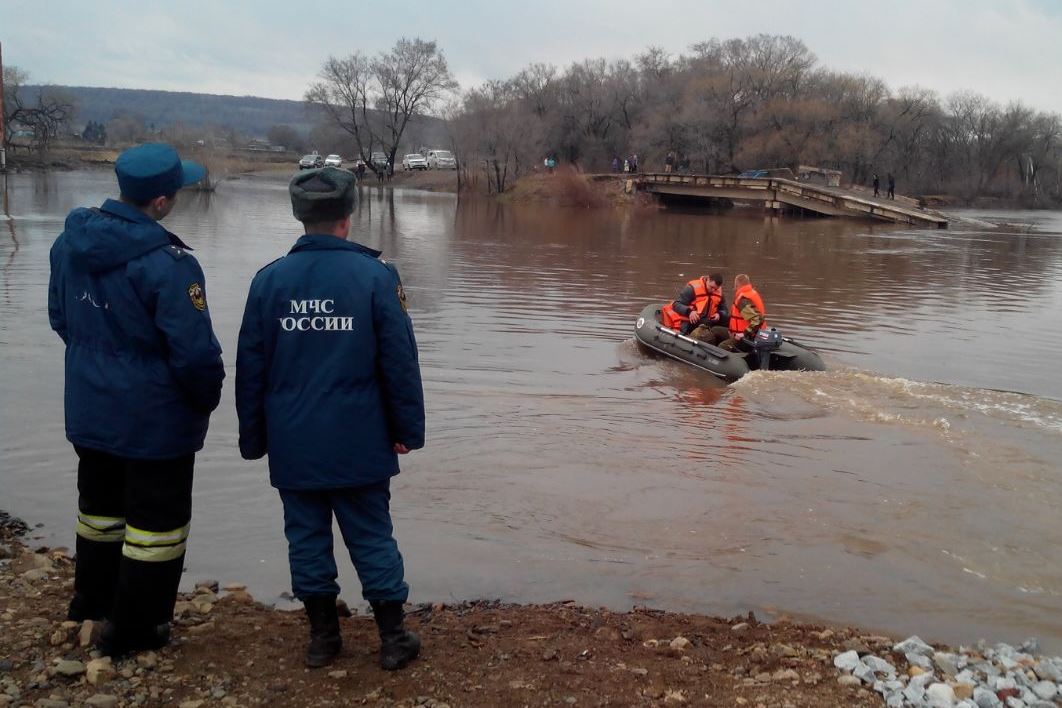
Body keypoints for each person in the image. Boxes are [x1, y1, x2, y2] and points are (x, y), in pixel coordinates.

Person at [235, 167, 425, 671]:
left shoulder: (268, 282)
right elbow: (400, 362)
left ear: (300, 216)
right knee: (371, 535)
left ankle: (322, 639)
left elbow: (250, 369)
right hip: (361, 438)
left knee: (305, 536)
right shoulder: (375, 277)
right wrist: (407, 431)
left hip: (293, 440)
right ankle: (392, 638)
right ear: (348, 216)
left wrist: (254, 439)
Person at [47, 143, 225, 657]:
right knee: (156, 528)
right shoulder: (170, 265)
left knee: (99, 511)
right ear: (163, 203)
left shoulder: (69, 243)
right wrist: (205, 400)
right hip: (154, 422)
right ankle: (134, 629)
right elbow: (193, 356)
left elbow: (61, 318)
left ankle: (91, 603)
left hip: (88, 408)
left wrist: (97, 368)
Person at [660, 273, 728, 339]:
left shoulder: (719, 293)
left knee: (728, 319)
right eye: (711, 287)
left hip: (709, 320)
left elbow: (724, 310)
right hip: (692, 320)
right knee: (705, 323)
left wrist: (719, 314)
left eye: (715, 289)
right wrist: (690, 312)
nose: (713, 290)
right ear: (708, 280)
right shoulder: (692, 289)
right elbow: (676, 304)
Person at [719, 274, 767, 351]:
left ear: (737, 285)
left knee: (722, 347)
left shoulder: (742, 300)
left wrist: (744, 334)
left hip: (747, 337)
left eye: (735, 286)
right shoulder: (752, 293)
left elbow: (758, 319)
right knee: (716, 330)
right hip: (758, 335)